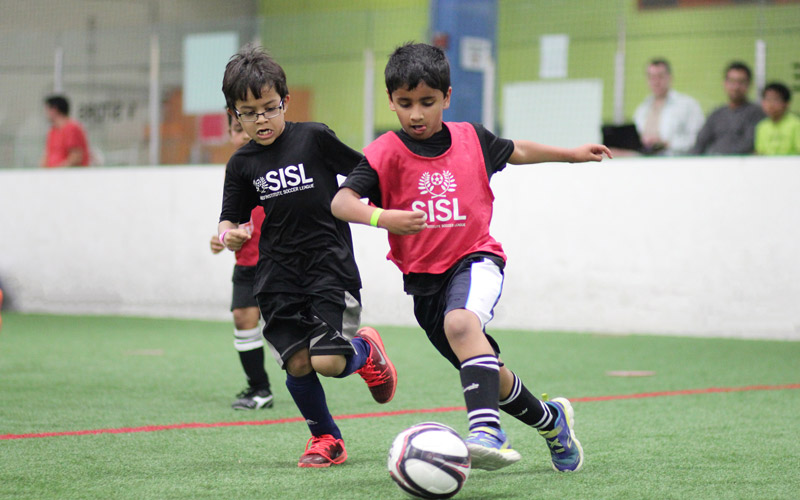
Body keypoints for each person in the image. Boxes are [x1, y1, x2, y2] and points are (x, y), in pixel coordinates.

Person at [331, 42, 611, 472]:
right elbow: (342, 202)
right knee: (488, 375)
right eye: (405, 104)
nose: (417, 114)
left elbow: (516, 150)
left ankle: (486, 433)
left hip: (476, 259)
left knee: (461, 323)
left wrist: (570, 154)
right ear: (390, 101)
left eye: (427, 102)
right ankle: (552, 422)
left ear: (446, 96)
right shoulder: (384, 152)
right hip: (425, 285)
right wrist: (383, 217)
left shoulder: (472, 139)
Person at [217, 44, 397, 468]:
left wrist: (385, 211)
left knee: (330, 361)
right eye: (248, 111)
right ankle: (326, 439)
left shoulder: (314, 137)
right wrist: (230, 235)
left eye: (269, 107)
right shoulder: (241, 163)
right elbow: (229, 217)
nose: (261, 119)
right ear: (234, 114)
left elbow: (364, 173)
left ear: (285, 101)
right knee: (298, 362)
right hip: (276, 273)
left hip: (328, 264)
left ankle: (367, 353)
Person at [209, 114, 274, 410]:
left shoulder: (280, 164)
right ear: (230, 133)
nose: (244, 135)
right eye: (237, 129)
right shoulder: (235, 171)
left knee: (294, 333)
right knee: (243, 319)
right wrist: (222, 239)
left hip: (281, 262)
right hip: (247, 263)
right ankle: (259, 388)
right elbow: (234, 219)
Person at [690, 61, 765, 155]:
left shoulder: (756, 113)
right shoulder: (716, 114)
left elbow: (749, 144)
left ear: (749, 84)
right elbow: (700, 143)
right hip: (713, 163)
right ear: (725, 83)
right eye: (732, 81)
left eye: (741, 82)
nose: (736, 87)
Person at [633, 58, 705, 156]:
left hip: (676, 163)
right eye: (652, 77)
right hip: (646, 163)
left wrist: (667, 143)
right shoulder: (641, 109)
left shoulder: (687, 105)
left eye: (660, 76)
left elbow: (699, 140)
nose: (656, 82)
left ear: (669, 77)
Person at [41, 94, 91, 167]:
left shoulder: (72, 128)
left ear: (54, 110)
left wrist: (57, 171)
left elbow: (76, 156)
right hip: (53, 175)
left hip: (69, 175)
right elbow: (47, 155)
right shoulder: (53, 131)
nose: (46, 113)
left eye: (47, 109)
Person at [754, 82, 800, 156]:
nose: (770, 104)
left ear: (786, 103)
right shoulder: (762, 126)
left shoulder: (796, 124)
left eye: (775, 99)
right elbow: (760, 152)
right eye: (767, 99)